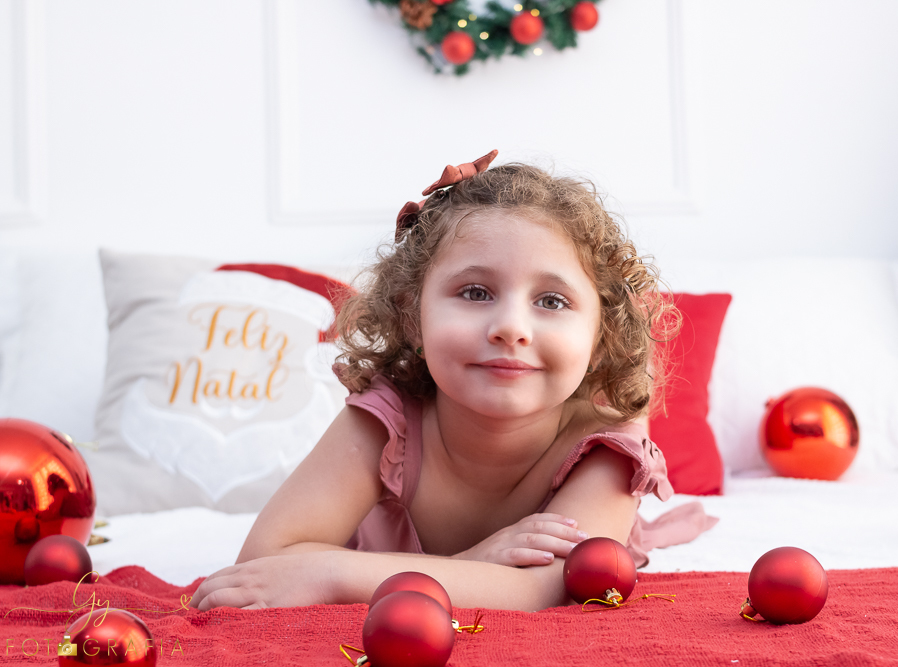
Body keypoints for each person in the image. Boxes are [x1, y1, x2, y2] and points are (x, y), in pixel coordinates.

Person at [190, 150, 716, 613]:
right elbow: (262, 566)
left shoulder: (607, 439)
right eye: (475, 292)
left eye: (552, 301)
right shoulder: (387, 419)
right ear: (413, 317)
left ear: (600, 337)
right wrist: (472, 564)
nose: (511, 327)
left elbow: (546, 590)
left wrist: (330, 573)